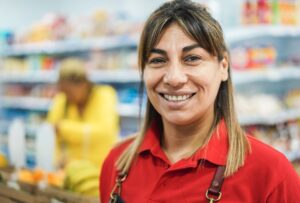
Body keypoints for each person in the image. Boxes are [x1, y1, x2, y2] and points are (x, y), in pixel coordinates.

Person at [100, 0, 300, 202]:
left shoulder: (271, 175)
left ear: (223, 66)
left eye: (192, 58)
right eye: (158, 60)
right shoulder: (116, 164)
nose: (174, 78)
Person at [47, 58, 119, 168]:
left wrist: (63, 127)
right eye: (63, 91)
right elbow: (51, 134)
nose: (67, 97)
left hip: (101, 167)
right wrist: (56, 160)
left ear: (83, 84)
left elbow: (105, 132)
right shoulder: (62, 100)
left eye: (69, 92)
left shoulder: (105, 95)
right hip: (71, 170)